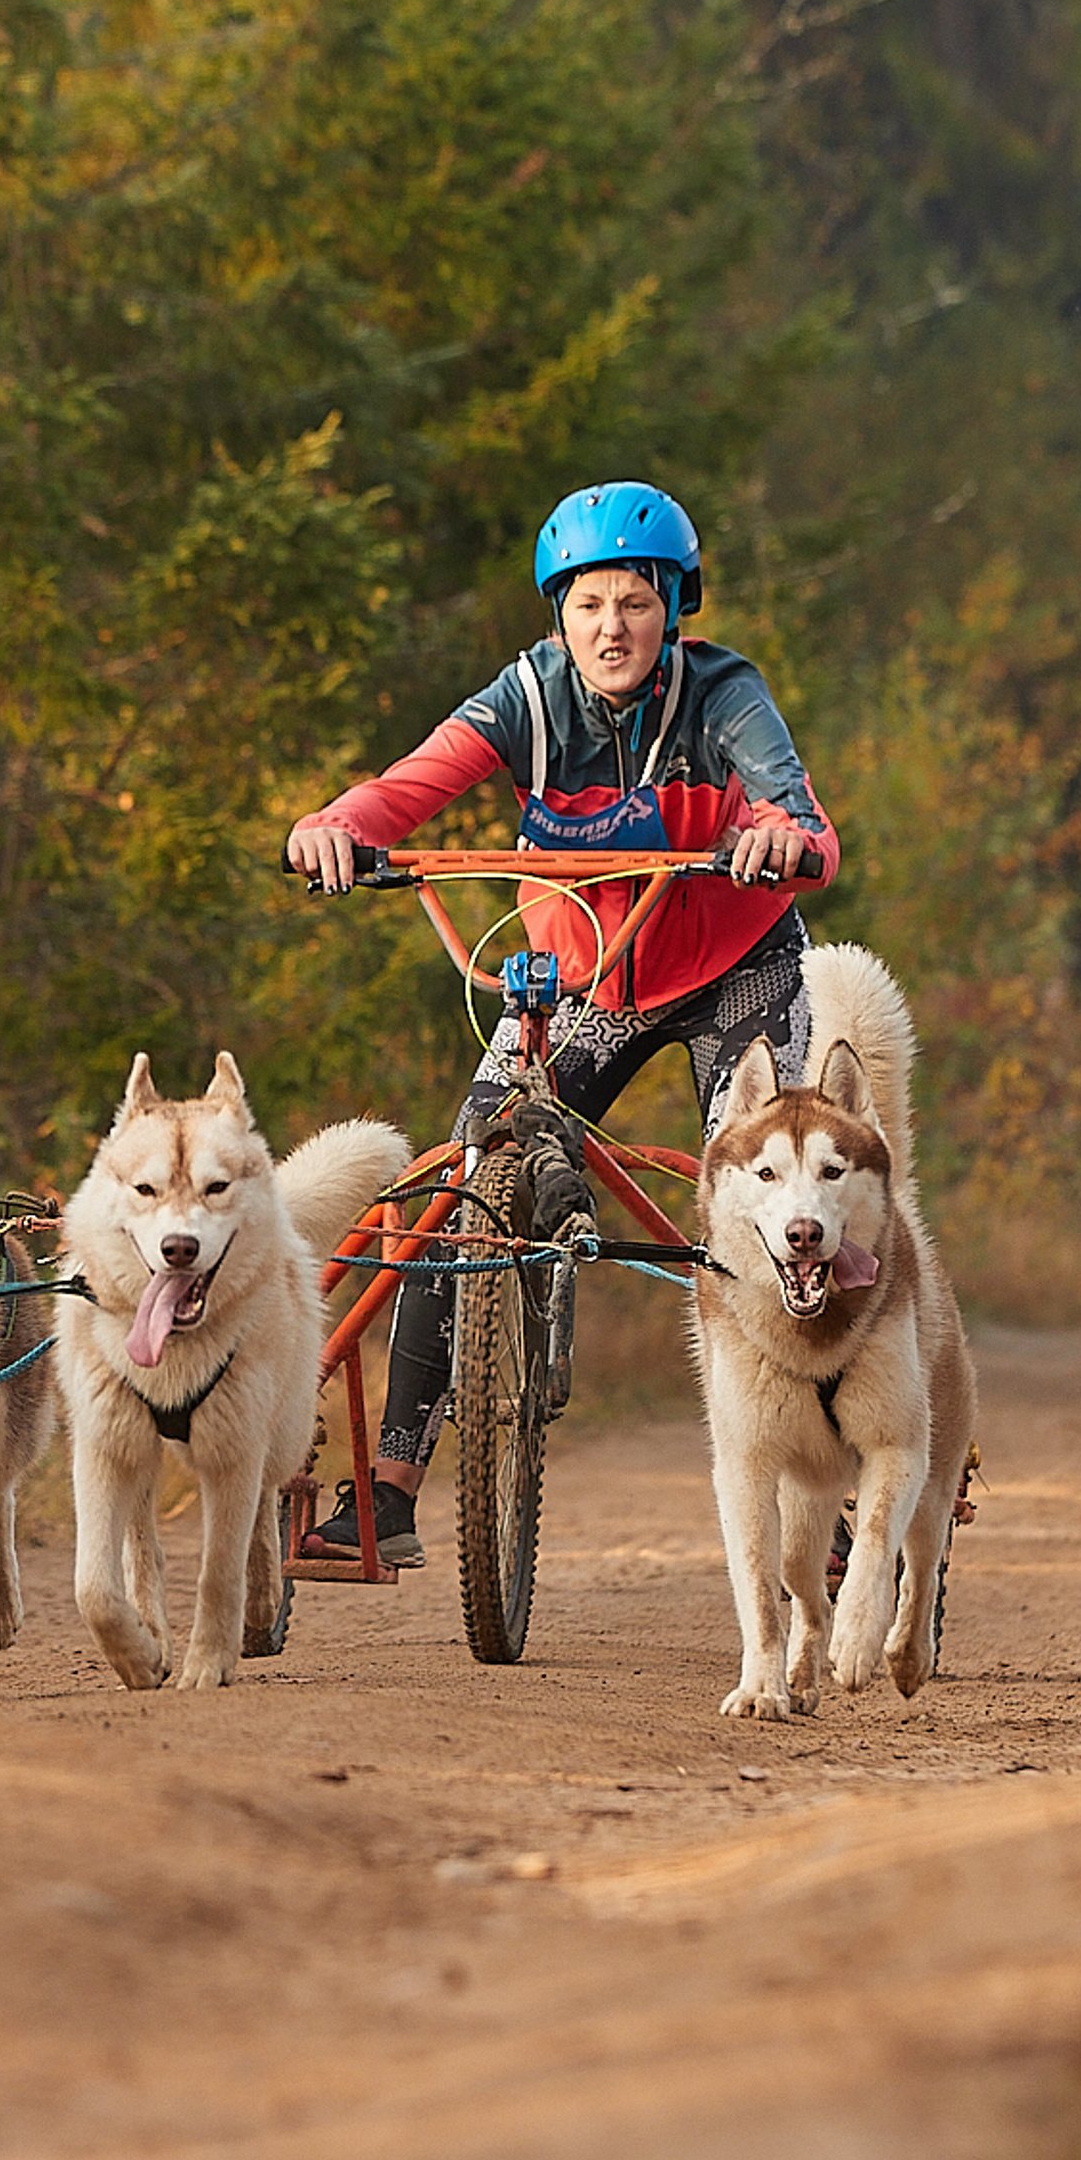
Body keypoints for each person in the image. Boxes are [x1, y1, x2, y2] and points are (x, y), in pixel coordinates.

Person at [284, 479, 840, 1565]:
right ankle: (390, 1487)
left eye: (634, 601)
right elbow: (410, 786)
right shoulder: (527, 699)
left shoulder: (723, 692)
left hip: (734, 966)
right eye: (586, 606)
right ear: (557, 617)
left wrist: (781, 834)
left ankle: (821, 1493)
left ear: (672, 606)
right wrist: (334, 826)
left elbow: (792, 802)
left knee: (774, 1200)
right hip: (589, 979)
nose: (610, 628)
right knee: (459, 1177)